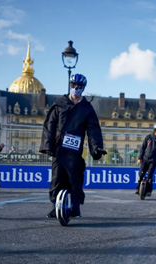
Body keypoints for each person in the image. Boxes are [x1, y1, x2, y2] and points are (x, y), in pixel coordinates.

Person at [40, 74, 106, 218]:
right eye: (74, 85)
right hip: (59, 146)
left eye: (79, 87)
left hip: (75, 148)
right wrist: (48, 145)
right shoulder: (60, 103)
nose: (76, 89)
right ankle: (55, 206)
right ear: (70, 86)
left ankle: (75, 207)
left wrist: (96, 148)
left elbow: (93, 129)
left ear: (83, 88)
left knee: (74, 178)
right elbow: (49, 125)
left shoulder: (87, 108)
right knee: (57, 177)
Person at [135, 123, 156, 196]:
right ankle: (137, 188)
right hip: (145, 159)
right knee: (141, 174)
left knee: (149, 176)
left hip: (154, 160)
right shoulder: (148, 137)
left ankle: (149, 191)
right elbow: (142, 148)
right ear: (155, 130)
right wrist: (140, 157)